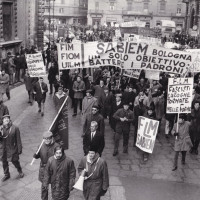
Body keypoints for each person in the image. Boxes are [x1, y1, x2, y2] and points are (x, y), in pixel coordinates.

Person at [33, 131, 60, 200]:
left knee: (54, 186)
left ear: (51, 138)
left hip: (53, 169)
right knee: (44, 187)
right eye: (45, 138)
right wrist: (35, 156)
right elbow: (38, 154)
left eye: (48, 138)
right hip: (44, 169)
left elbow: (60, 158)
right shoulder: (41, 145)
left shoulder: (57, 146)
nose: (47, 140)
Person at [0, 115, 24, 182]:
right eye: (4, 119)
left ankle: (20, 171)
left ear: (9, 119)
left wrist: (19, 149)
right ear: (2, 121)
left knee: (15, 161)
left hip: (12, 148)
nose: (6, 119)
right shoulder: (1, 128)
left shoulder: (15, 128)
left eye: (7, 118)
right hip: (3, 149)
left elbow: (18, 139)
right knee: (4, 162)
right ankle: (7, 174)